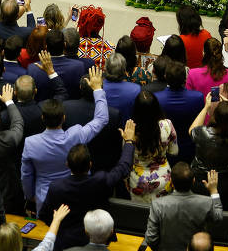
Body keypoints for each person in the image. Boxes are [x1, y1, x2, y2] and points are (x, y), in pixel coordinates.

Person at [21, 66, 108, 214]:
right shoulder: (76, 135)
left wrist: (30, 196)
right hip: (73, 197)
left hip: (44, 199)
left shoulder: (31, 143)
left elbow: (26, 175)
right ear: (64, 118)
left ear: (43, 118)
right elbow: (101, 119)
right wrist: (98, 89)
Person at [39, 126, 134, 250]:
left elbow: (44, 215)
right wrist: (129, 142)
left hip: (66, 241)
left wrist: (61, 227)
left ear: (67, 165)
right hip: (97, 239)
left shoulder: (56, 187)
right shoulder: (101, 181)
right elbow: (123, 166)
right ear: (90, 164)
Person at [144, 163, 222, 251]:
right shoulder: (207, 202)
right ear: (193, 181)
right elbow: (218, 217)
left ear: (171, 182)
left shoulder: (157, 205)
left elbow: (151, 238)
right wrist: (214, 190)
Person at [128, 90, 178, 203]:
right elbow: (174, 151)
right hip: (163, 180)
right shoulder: (167, 125)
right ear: (156, 107)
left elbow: (126, 154)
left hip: (138, 183)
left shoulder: (130, 129)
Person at [189, 100, 228, 208]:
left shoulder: (202, 133)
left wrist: (206, 107)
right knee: (222, 216)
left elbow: (192, 130)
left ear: (215, 117)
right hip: (225, 182)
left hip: (202, 181)